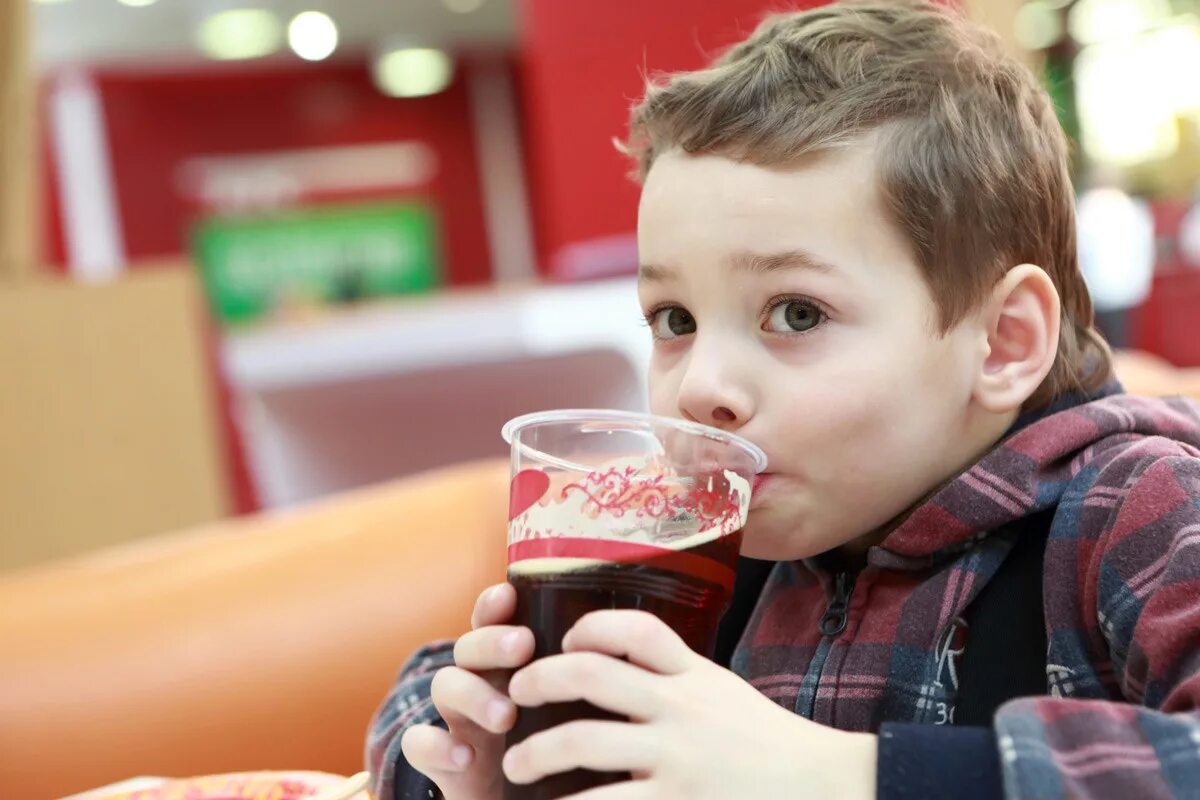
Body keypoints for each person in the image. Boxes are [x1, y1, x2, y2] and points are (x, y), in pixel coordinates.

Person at [366, 2, 1200, 798]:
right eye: (675, 319)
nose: (701, 389)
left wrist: (849, 777)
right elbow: (419, 694)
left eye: (796, 314)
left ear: (1004, 341)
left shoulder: (1134, 507)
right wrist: (482, 755)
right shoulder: (704, 539)